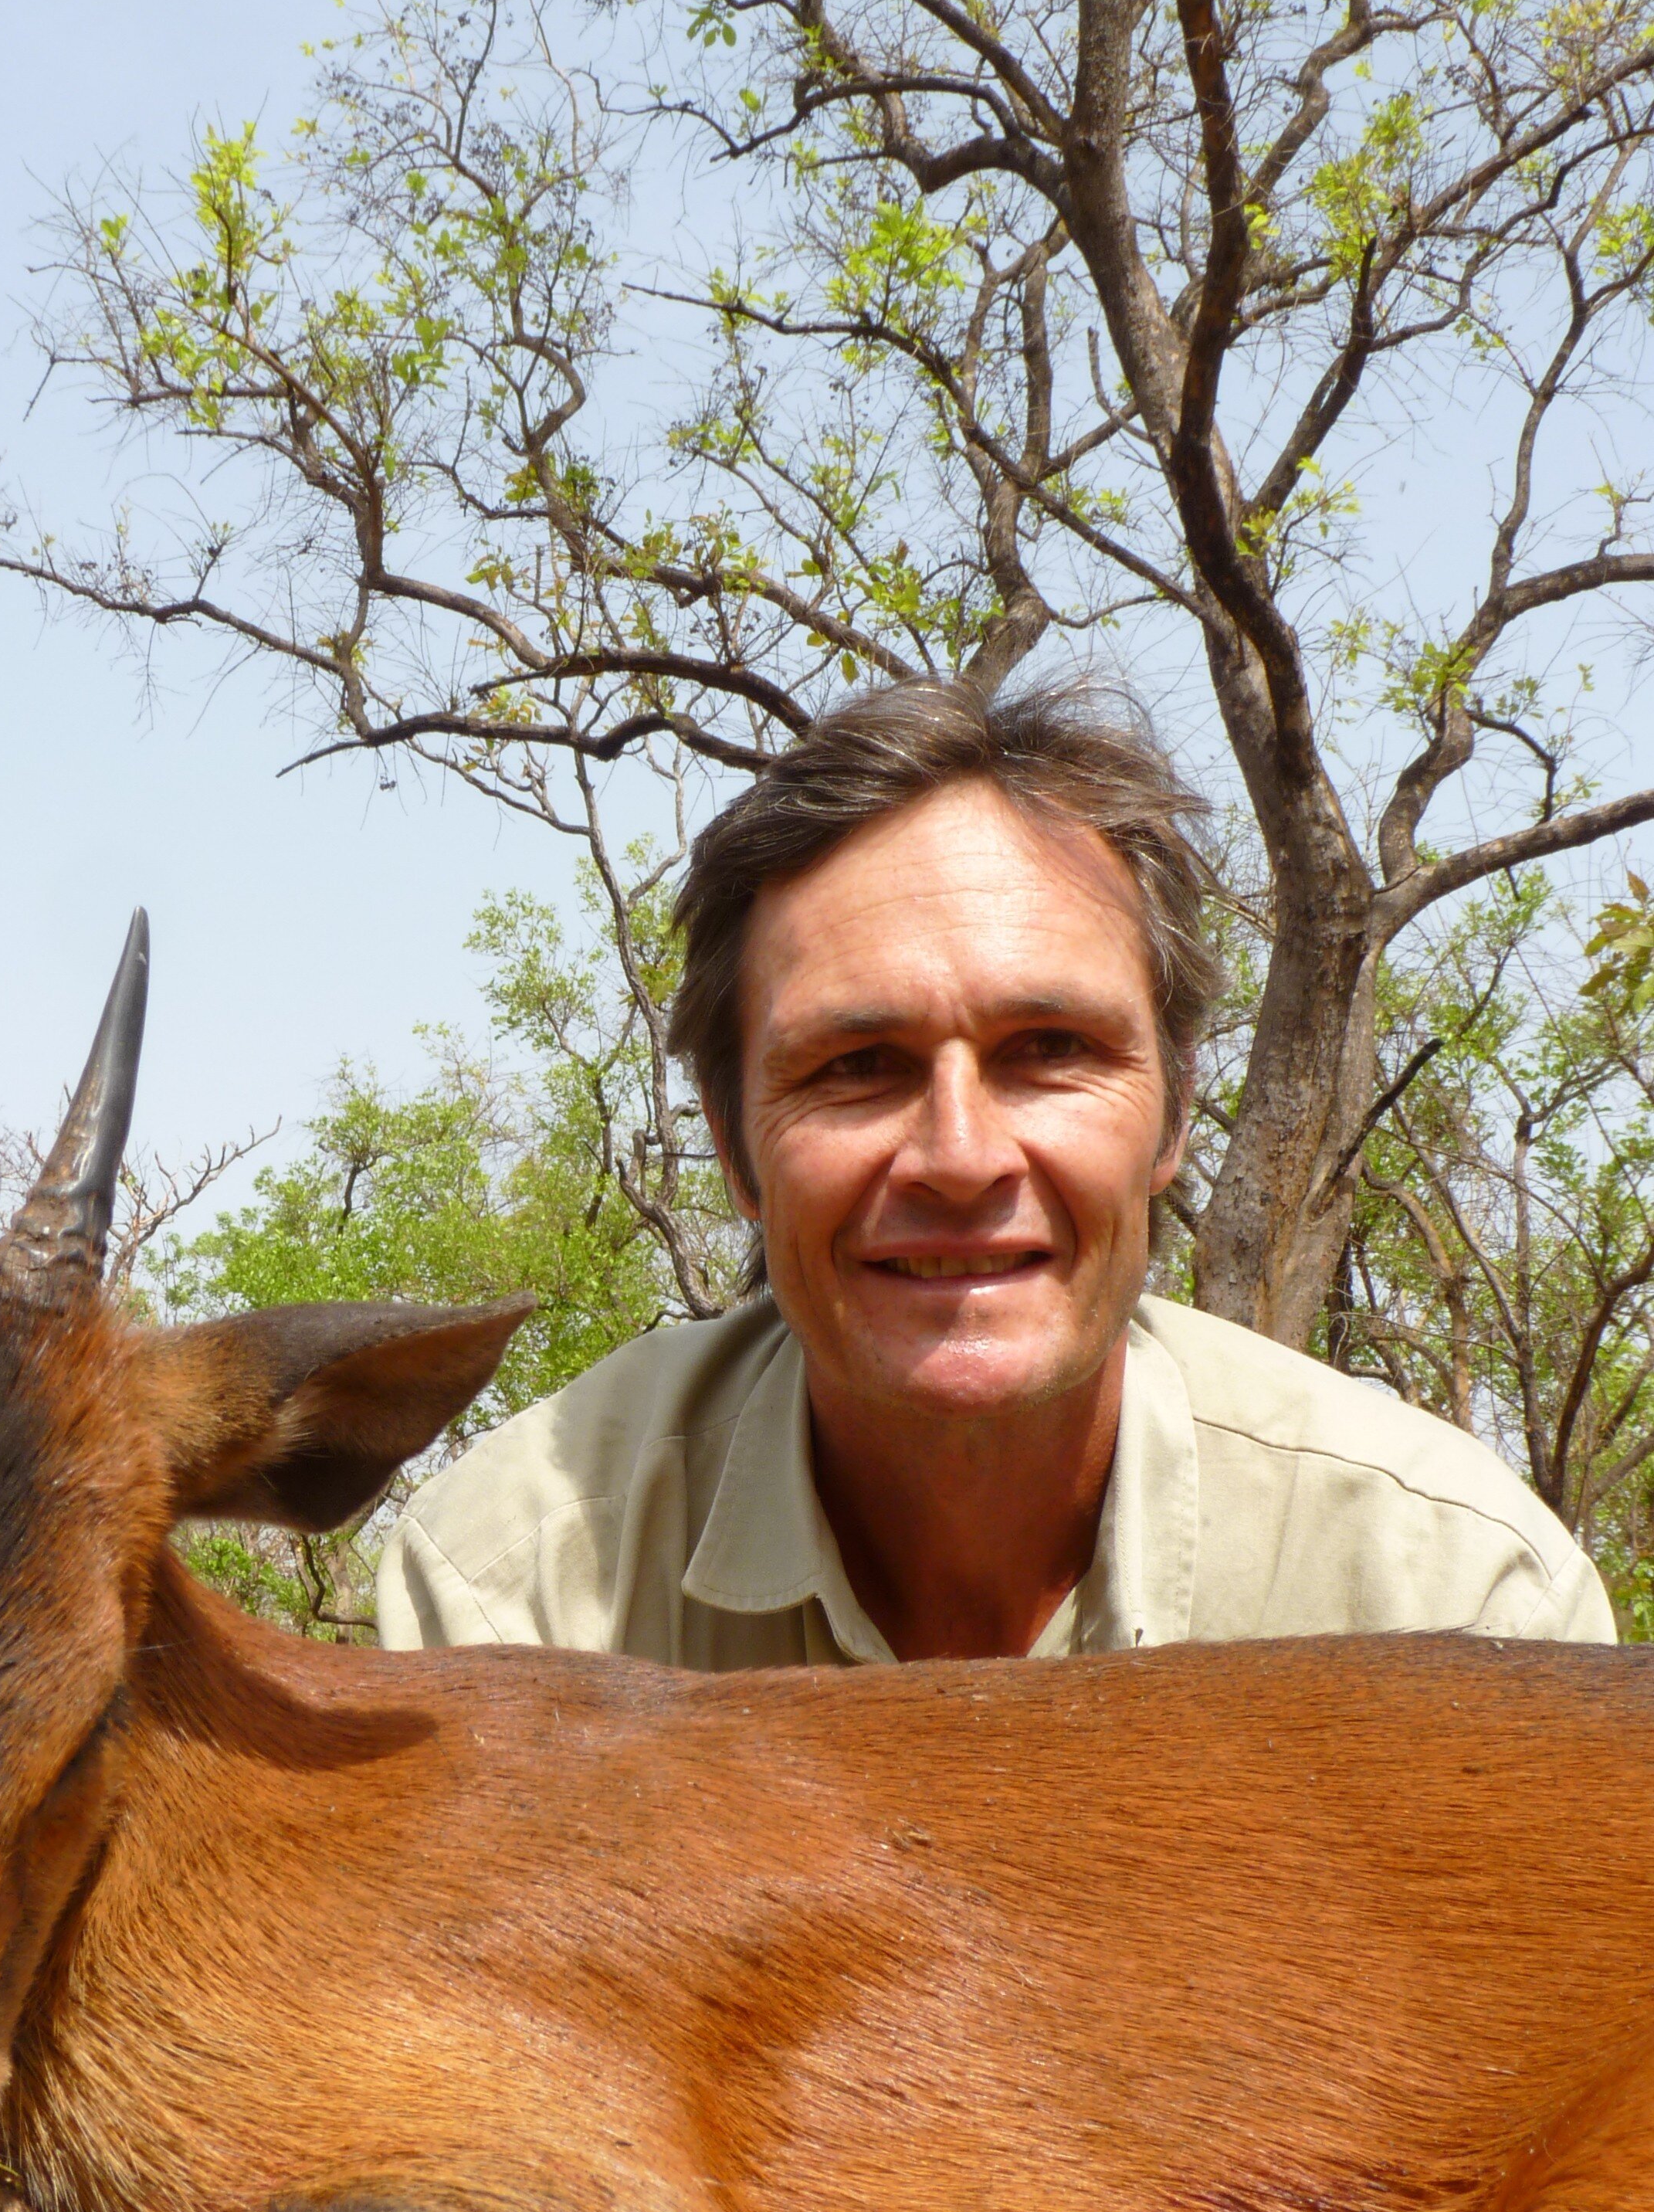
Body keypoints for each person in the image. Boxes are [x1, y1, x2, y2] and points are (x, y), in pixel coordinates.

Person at [377, 680, 1614, 1667]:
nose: (960, 1157)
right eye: (857, 1065)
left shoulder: (1448, 1596)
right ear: (732, 1147)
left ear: (1174, 1110)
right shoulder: (514, 1599)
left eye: (1051, 1051)